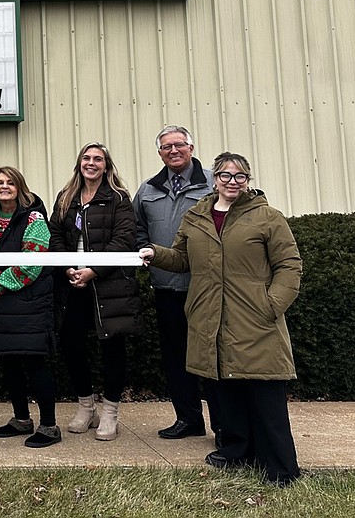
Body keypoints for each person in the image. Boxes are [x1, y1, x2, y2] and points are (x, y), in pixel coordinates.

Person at [139, 152, 303, 486]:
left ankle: (280, 469)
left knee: (264, 394)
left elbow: (290, 265)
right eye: (225, 176)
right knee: (225, 392)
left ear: (248, 181)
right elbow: (182, 258)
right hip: (209, 319)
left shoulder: (267, 217)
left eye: (239, 176)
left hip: (254, 319)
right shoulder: (197, 216)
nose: (232, 182)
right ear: (215, 179)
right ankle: (236, 453)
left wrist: (271, 305)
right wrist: (155, 254)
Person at [132, 125, 219, 443]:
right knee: (176, 358)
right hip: (166, 287)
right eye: (166, 147)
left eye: (179, 144)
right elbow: (137, 228)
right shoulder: (147, 190)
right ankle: (188, 419)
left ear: (192, 148)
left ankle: (224, 425)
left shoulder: (214, 183)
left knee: (212, 357)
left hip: (207, 288)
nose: (173, 150)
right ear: (159, 153)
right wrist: (145, 253)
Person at [48, 142, 140, 441]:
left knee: (112, 347)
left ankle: (110, 412)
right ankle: (86, 407)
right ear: (79, 163)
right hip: (72, 284)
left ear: (106, 165)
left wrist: (93, 270)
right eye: (86, 158)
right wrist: (67, 268)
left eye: (97, 159)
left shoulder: (118, 199)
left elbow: (124, 239)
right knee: (71, 344)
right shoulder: (67, 198)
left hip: (107, 285)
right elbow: (56, 235)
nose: (91, 163)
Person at [0, 167, 60, 449]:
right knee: (9, 362)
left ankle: (49, 426)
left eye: (10, 182)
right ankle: (21, 419)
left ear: (20, 186)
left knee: (35, 362)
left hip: (28, 302)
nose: (4, 187)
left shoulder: (33, 217)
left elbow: (31, 265)